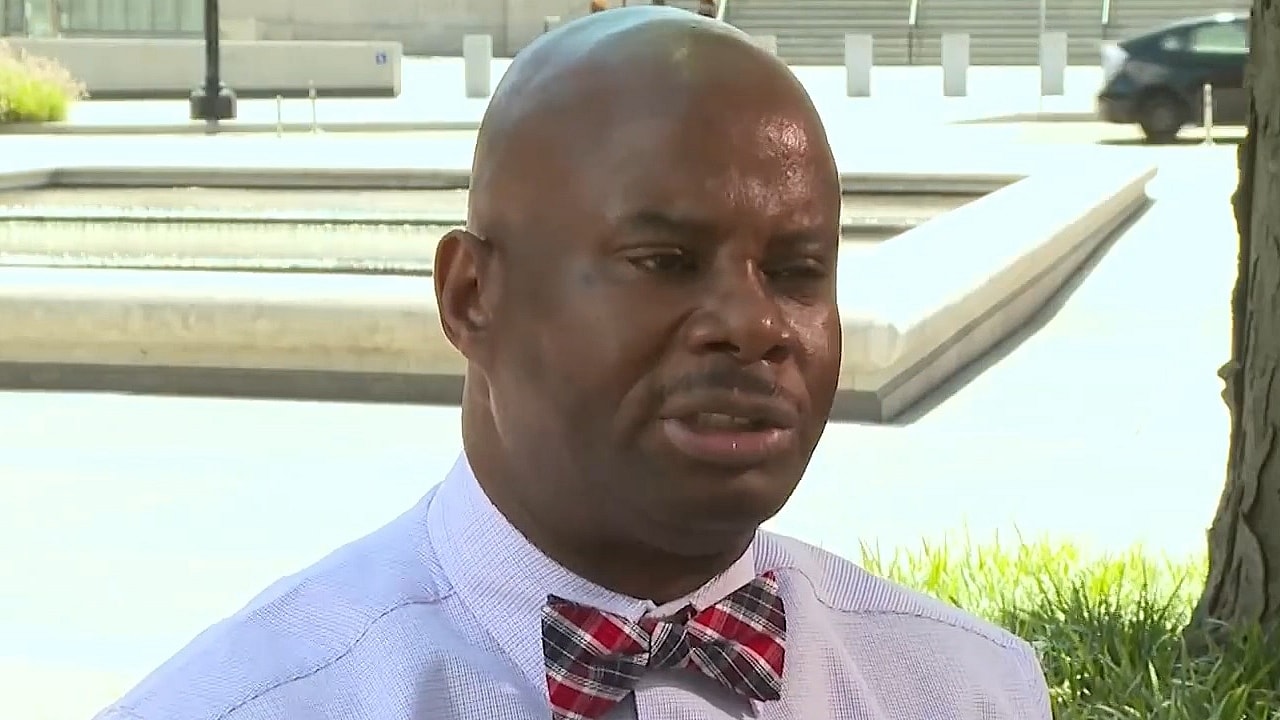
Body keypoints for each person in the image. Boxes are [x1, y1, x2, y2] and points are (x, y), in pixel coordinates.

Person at [94, 7, 1051, 720]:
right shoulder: (254, 703)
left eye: (798, 272)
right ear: (471, 296)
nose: (755, 324)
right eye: (664, 261)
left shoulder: (972, 692)